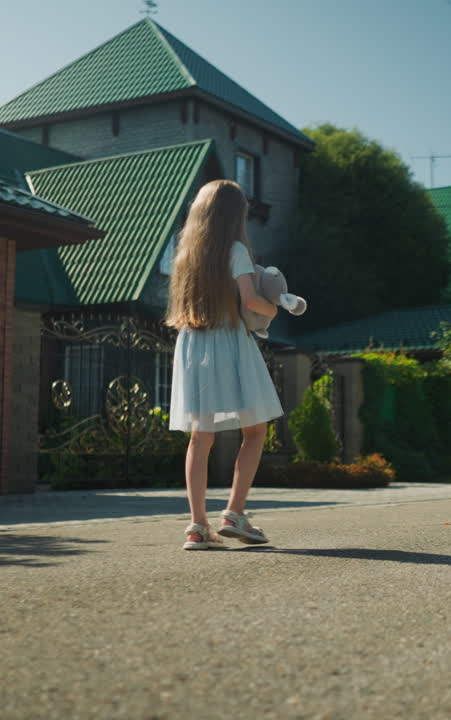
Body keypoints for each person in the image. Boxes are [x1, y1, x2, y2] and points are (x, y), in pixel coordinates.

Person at [165, 180, 283, 550]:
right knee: (255, 430)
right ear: (236, 216)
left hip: (193, 343)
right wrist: (275, 307)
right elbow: (250, 302)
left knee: (200, 437)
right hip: (229, 341)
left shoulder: (186, 254)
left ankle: (197, 527)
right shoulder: (235, 250)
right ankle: (234, 512)